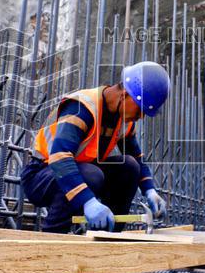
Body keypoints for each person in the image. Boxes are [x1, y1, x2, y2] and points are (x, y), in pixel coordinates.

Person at [21, 61, 170, 232]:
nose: (141, 116)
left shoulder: (124, 121)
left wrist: (150, 189)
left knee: (129, 166)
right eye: (140, 109)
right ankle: (52, 236)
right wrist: (87, 201)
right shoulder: (82, 107)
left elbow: (136, 158)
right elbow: (60, 158)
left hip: (80, 173)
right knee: (92, 174)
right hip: (41, 175)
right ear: (124, 95)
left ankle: (109, 236)